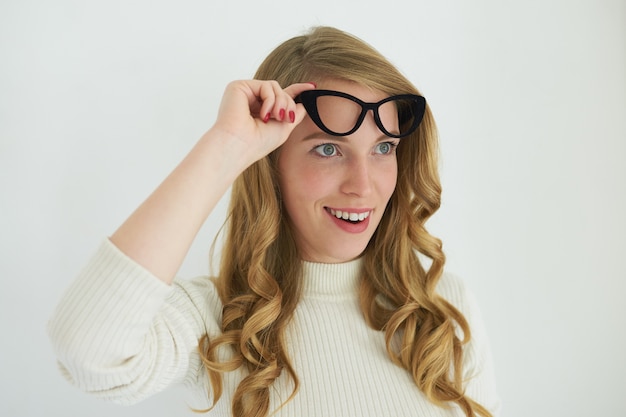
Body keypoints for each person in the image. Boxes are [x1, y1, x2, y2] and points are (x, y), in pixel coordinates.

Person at [48, 26, 500, 417]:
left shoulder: (442, 313)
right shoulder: (216, 319)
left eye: (383, 148)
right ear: (270, 162)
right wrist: (226, 145)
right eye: (328, 149)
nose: (363, 186)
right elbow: (90, 353)